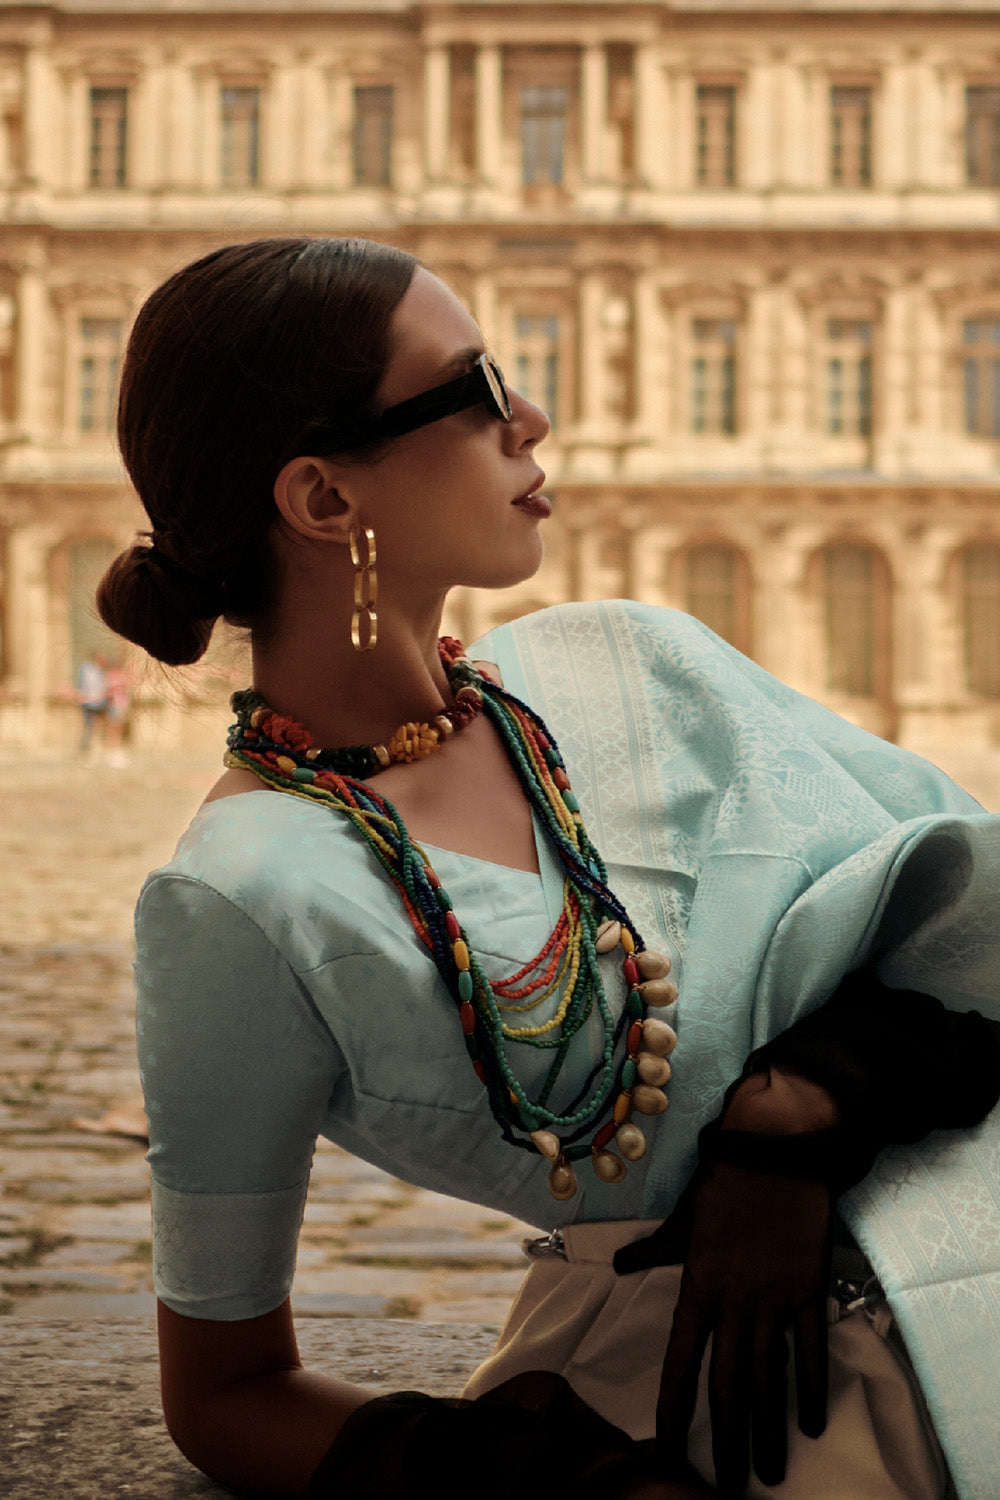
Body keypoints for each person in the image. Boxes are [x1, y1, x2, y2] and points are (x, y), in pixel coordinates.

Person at [96, 238, 1000, 1500]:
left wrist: (796, 1112)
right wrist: (524, 1478)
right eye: (470, 391)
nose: (530, 415)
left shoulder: (633, 663)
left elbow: (967, 915)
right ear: (321, 500)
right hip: (737, 1399)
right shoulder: (242, 897)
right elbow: (223, 1388)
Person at [76, 652, 107, 753]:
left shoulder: (100, 672)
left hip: (97, 702)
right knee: (88, 725)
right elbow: (82, 685)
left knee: (94, 726)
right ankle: (85, 747)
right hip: (87, 702)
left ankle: (92, 747)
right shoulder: (87, 669)